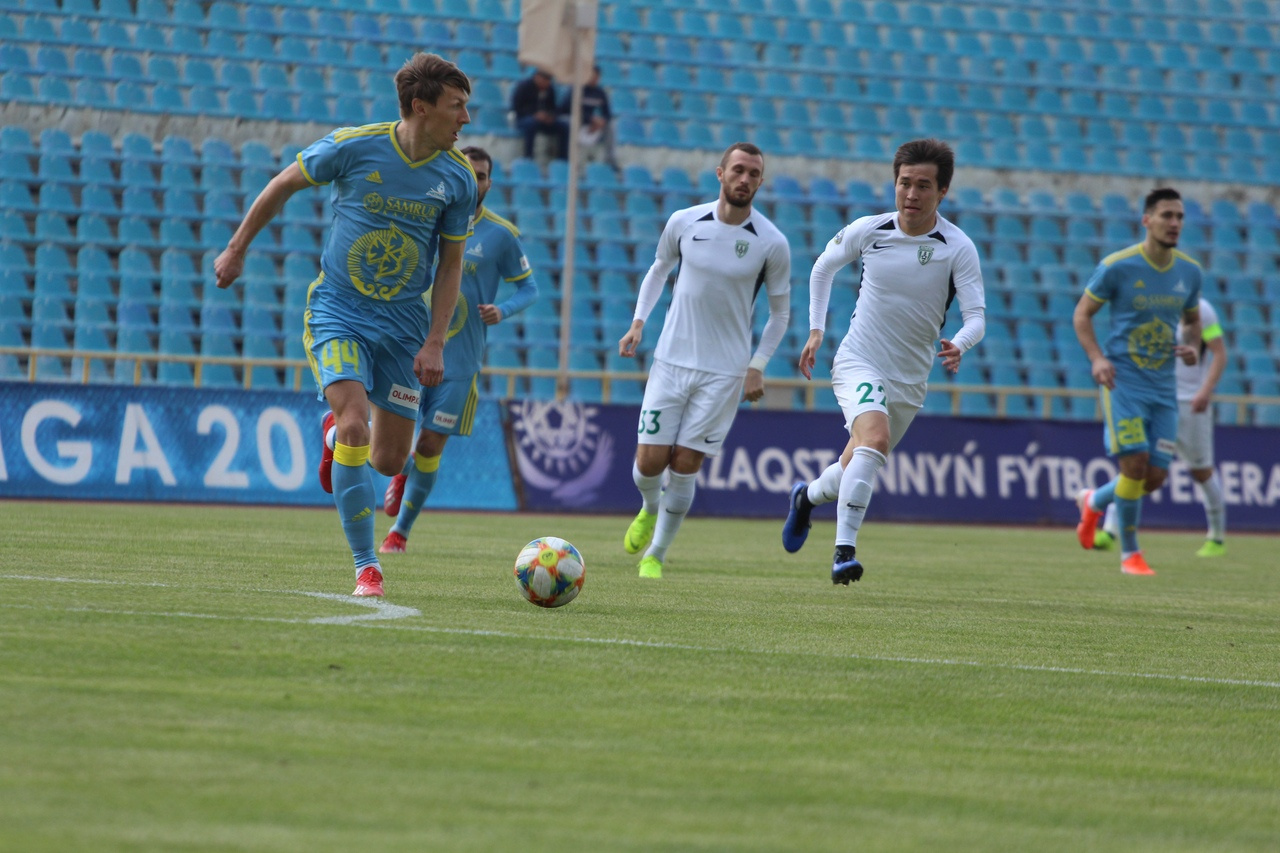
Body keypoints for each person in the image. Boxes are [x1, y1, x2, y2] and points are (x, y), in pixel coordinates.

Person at [213, 53, 477, 598]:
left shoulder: (458, 178)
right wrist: (236, 249)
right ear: (420, 107)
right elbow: (283, 183)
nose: (466, 119)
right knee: (357, 422)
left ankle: (333, 437)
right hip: (339, 310)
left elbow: (451, 266)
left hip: (403, 326)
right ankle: (366, 568)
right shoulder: (354, 146)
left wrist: (434, 342)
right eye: (456, 106)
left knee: (388, 459)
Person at [781, 138, 986, 586]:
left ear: (942, 191)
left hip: (909, 380)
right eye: (904, 183)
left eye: (923, 186)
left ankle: (805, 498)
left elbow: (976, 317)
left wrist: (960, 343)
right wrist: (816, 330)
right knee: (874, 439)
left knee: (855, 461)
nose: (911, 194)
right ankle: (844, 552)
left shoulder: (957, 247)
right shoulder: (870, 230)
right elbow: (822, 267)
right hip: (859, 360)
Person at [618, 142, 791, 579]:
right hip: (672, 360)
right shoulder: (684, 221)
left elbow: (781, 314)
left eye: (753, 173)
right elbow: (659, 269)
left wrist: (758, 364)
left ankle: (656, 554)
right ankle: (649, 507)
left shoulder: (772, 242)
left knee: (686, 464)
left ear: (760, 182)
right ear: (720, 173)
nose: (744, 179)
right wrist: (638, 323)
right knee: (649, 463)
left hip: (724, 372)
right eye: (738, 170)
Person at [378, 146, 540, 553]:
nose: (475, 180)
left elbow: (529, 288)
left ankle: (400, 532)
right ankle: (401, 470)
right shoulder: (425, 217)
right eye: (469, 172)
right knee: (392, 446)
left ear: (489, 183)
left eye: (482, 175)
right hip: (410, 351)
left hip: (461, 362)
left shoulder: (501, 234)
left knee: (430, 445)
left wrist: (503, 309)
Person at [1072, 187, 1202, 576]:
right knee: (1134, 464)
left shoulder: (1190, 272)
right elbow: (1082, 314)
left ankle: (1094, 501)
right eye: (1167, 215)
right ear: (1147, 220)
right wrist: (1097, 359)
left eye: (1179, 216)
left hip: (1164, 387)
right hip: (1123, 382)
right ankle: (1130, 554)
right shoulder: (1118, 266)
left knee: (1155, 477)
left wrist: (1192, 345)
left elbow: (1193, 321)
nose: (1174, 223)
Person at [1095, 295, 1226, 556]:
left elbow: (1219, 353)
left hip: (1190, 402)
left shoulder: (1202, 310)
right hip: (1155, 398)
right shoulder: (1151, 302)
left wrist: (1205, 390)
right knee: (1136, 463)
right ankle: (1110, 529)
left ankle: (1217, 537)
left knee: (1201, 472)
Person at [559, 64, 619, 171]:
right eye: (592, 76)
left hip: (591, 125)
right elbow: (565, 109)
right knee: (569, 122)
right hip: (576, 121)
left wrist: (602, 122)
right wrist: (590, 119)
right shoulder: (576, 90)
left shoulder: (600, 93)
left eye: (596, 77)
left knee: (610, 126)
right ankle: (568, 159)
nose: (594, 79)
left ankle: (610, 159)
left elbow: (607, 114)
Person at [510, 68, 568, 161]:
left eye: (548, 80)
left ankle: (563, 159)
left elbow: (553, 108)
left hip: (544, 121)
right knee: (531, 124)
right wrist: (534, 114)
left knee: (564, 126)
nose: (547, 82)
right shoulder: (524, 87)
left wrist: (550, 116)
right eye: (545, 79)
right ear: (537, 77)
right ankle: (528, 156)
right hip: (524, 119)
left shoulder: (550, 89)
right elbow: (517, 107)